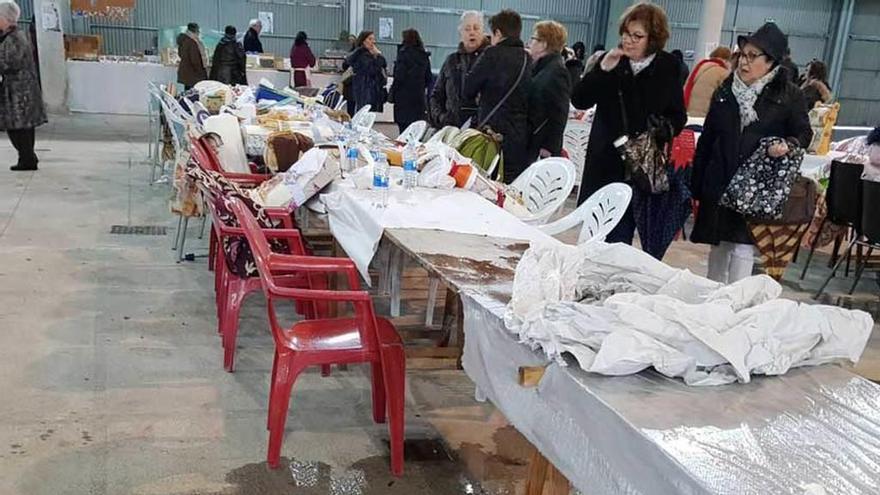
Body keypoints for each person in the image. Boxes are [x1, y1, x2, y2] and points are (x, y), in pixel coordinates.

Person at [690, 22, 812, 284]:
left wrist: (786, 144)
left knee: (743, 248)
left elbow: (804, 133)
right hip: (720, 180)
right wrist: (697, 184)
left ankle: (735, 305)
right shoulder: (725, 90)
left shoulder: (789, 96)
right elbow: (709, 138)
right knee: (718, 245)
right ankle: (710, 305)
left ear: (771, 62)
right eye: (742, 54)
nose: (744, 62)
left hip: (755, 187)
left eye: (753, 56)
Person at [571, 2, 686, 247]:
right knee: (592, 232)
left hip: (638, 165)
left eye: (637, 36)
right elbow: (579, 100)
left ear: (653, 39)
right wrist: (602, 69)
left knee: (621, 238)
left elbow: (678, 115)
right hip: (604, 159)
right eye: (626, 34)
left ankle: (610, 285)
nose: (629, 41)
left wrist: (662, 128)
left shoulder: (667, 67)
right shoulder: (611, 61)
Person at [463, 9, 532, 183]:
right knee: (509, 187)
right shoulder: (527, 58)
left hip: (491, 134)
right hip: (518, 136)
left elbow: (468, 89)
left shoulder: (491, 54)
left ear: (498, 33)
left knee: (485, 185)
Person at [0, 0, 46, 172]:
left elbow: (7, 62)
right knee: (19, 126)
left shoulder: (15, 38)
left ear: (5, 18)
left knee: (19, 126)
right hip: (18, 88)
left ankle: (27, 159)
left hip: (20, 90)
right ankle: (27, 157)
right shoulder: (11, 36)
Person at [429, 10, 489, 129]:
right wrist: (441, 118)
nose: (472, 32)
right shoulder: (451, 61)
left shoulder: (492, 60)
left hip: (479, 134)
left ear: (483, 32)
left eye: (476, 28)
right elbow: (436, 95)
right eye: (467, 29)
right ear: (460, 32)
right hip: (450, 131)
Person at [526, 21, 571, 163]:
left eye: (533, 39)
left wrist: (549, 146)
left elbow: (560, 113)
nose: (529, 42)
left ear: (543, 44)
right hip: (533, 140)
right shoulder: (542, 68)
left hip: (542, 146)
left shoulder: (557, 72)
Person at [390, 29, 432, 134]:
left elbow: (399, 76)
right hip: (418, 98)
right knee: (416, 131)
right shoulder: (424, 56)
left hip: (403, 97)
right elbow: (429, 77)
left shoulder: (403, 54)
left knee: (403, 129)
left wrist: (392, 92)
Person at [345, 30, 388, 113]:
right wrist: (377, 56)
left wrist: (377, 55)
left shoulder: (370, 54)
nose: (373, 42)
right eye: (370, 39)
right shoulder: (361, 55)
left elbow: (383, 64)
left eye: (373, 39)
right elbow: (372, 70)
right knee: (363, 113)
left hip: (369, 90)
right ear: (363, 41)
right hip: (364, 90)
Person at [684, 46, 732, 117]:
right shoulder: (722, 72)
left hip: (688, 110)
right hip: (704, 114)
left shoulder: (700, 67)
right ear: (726, 60)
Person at [177, 23, 207, 90]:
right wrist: (201, 72)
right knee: (194, 94)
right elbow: (195, 60)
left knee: (188, 92)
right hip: (193, 74)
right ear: (195, 31)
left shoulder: (183, 40)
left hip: (186, 72)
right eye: (198, 31)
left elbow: (180, 54)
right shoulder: (192, 43)